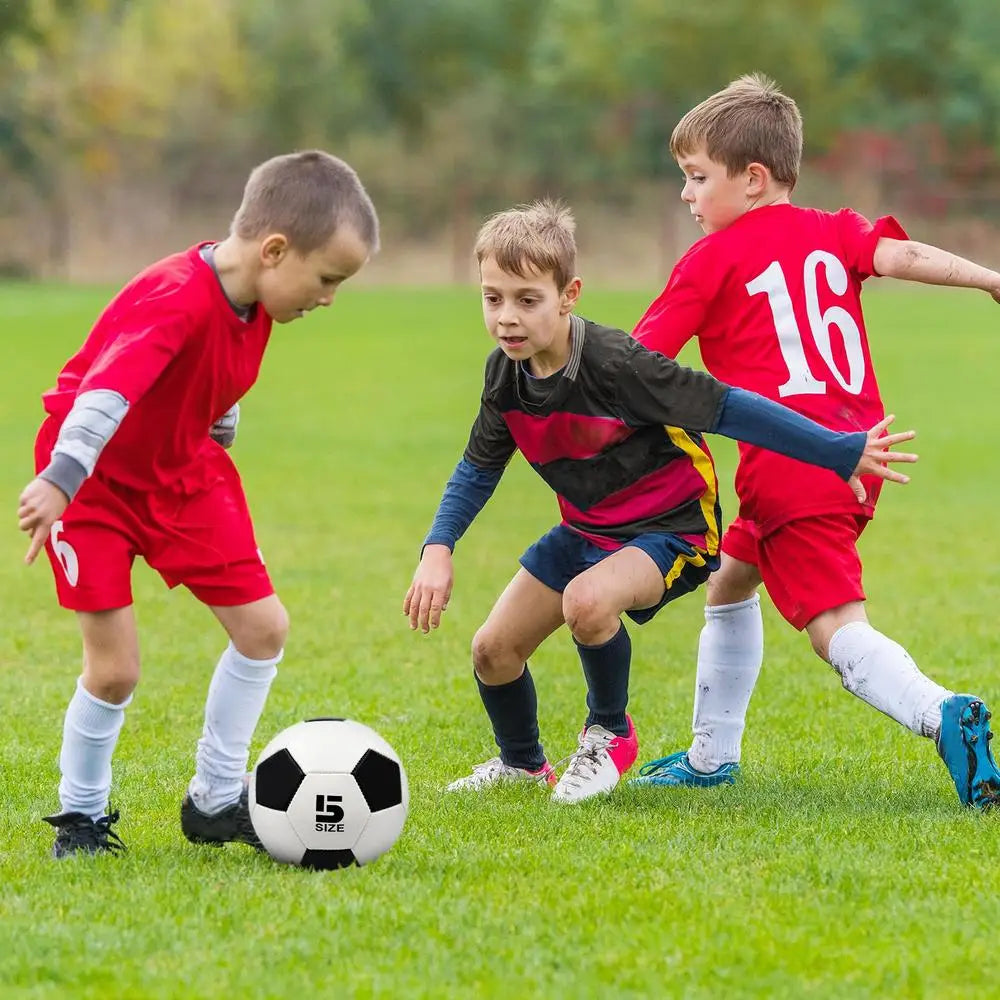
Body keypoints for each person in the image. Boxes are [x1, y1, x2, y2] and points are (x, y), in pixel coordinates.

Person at [403, 198, 916, 805]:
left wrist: (837, 449)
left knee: (586, 602)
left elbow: (730, 408)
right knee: (492, 650)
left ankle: (609, 735)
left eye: (527, 299)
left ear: (569, 295)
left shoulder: (617, 365)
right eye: (493, 298)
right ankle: (522, 764)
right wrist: (438, 547)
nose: (507, 318)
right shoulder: (505, 376)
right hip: (589, 528)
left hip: (672, 528)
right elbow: (478, 467)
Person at [630, 73, 1000, 810]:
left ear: (755, 179)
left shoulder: (710, 261)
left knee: (835, 627)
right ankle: (712, 757)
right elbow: (902, 258)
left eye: (697, 178)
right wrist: (990, 278)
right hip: (858, 454)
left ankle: (943, 713)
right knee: (733, 575)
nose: (687, 195)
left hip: (789, 466)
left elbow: (640, 363)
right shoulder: (835, 229)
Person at [17, 151, 379, 857]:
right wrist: (61, 480)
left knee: (263, 629)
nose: (329, 296)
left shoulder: (257, 299)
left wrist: (220, 422)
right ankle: (81, 818)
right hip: (93, 483)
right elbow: (106, 393)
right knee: (116, 668)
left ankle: (215, 800)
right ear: (274, 250)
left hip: (183, 473)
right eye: (327, 278)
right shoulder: (175, 295)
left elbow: (213, 374)